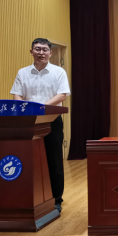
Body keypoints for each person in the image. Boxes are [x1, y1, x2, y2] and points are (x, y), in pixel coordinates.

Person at [10, 38, 71, 213]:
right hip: (28, 121)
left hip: (52, 120)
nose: (41, 52)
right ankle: (31, 197)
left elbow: (62, 95)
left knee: (54, 160)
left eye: (45, 49)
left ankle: (56, 199)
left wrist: (41, 108)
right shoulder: (22, 72)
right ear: (31, 52)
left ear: (50, 53)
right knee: (29, 160)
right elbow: (17, 95)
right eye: (37, 49)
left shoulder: (58, 72)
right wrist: (25, 110)